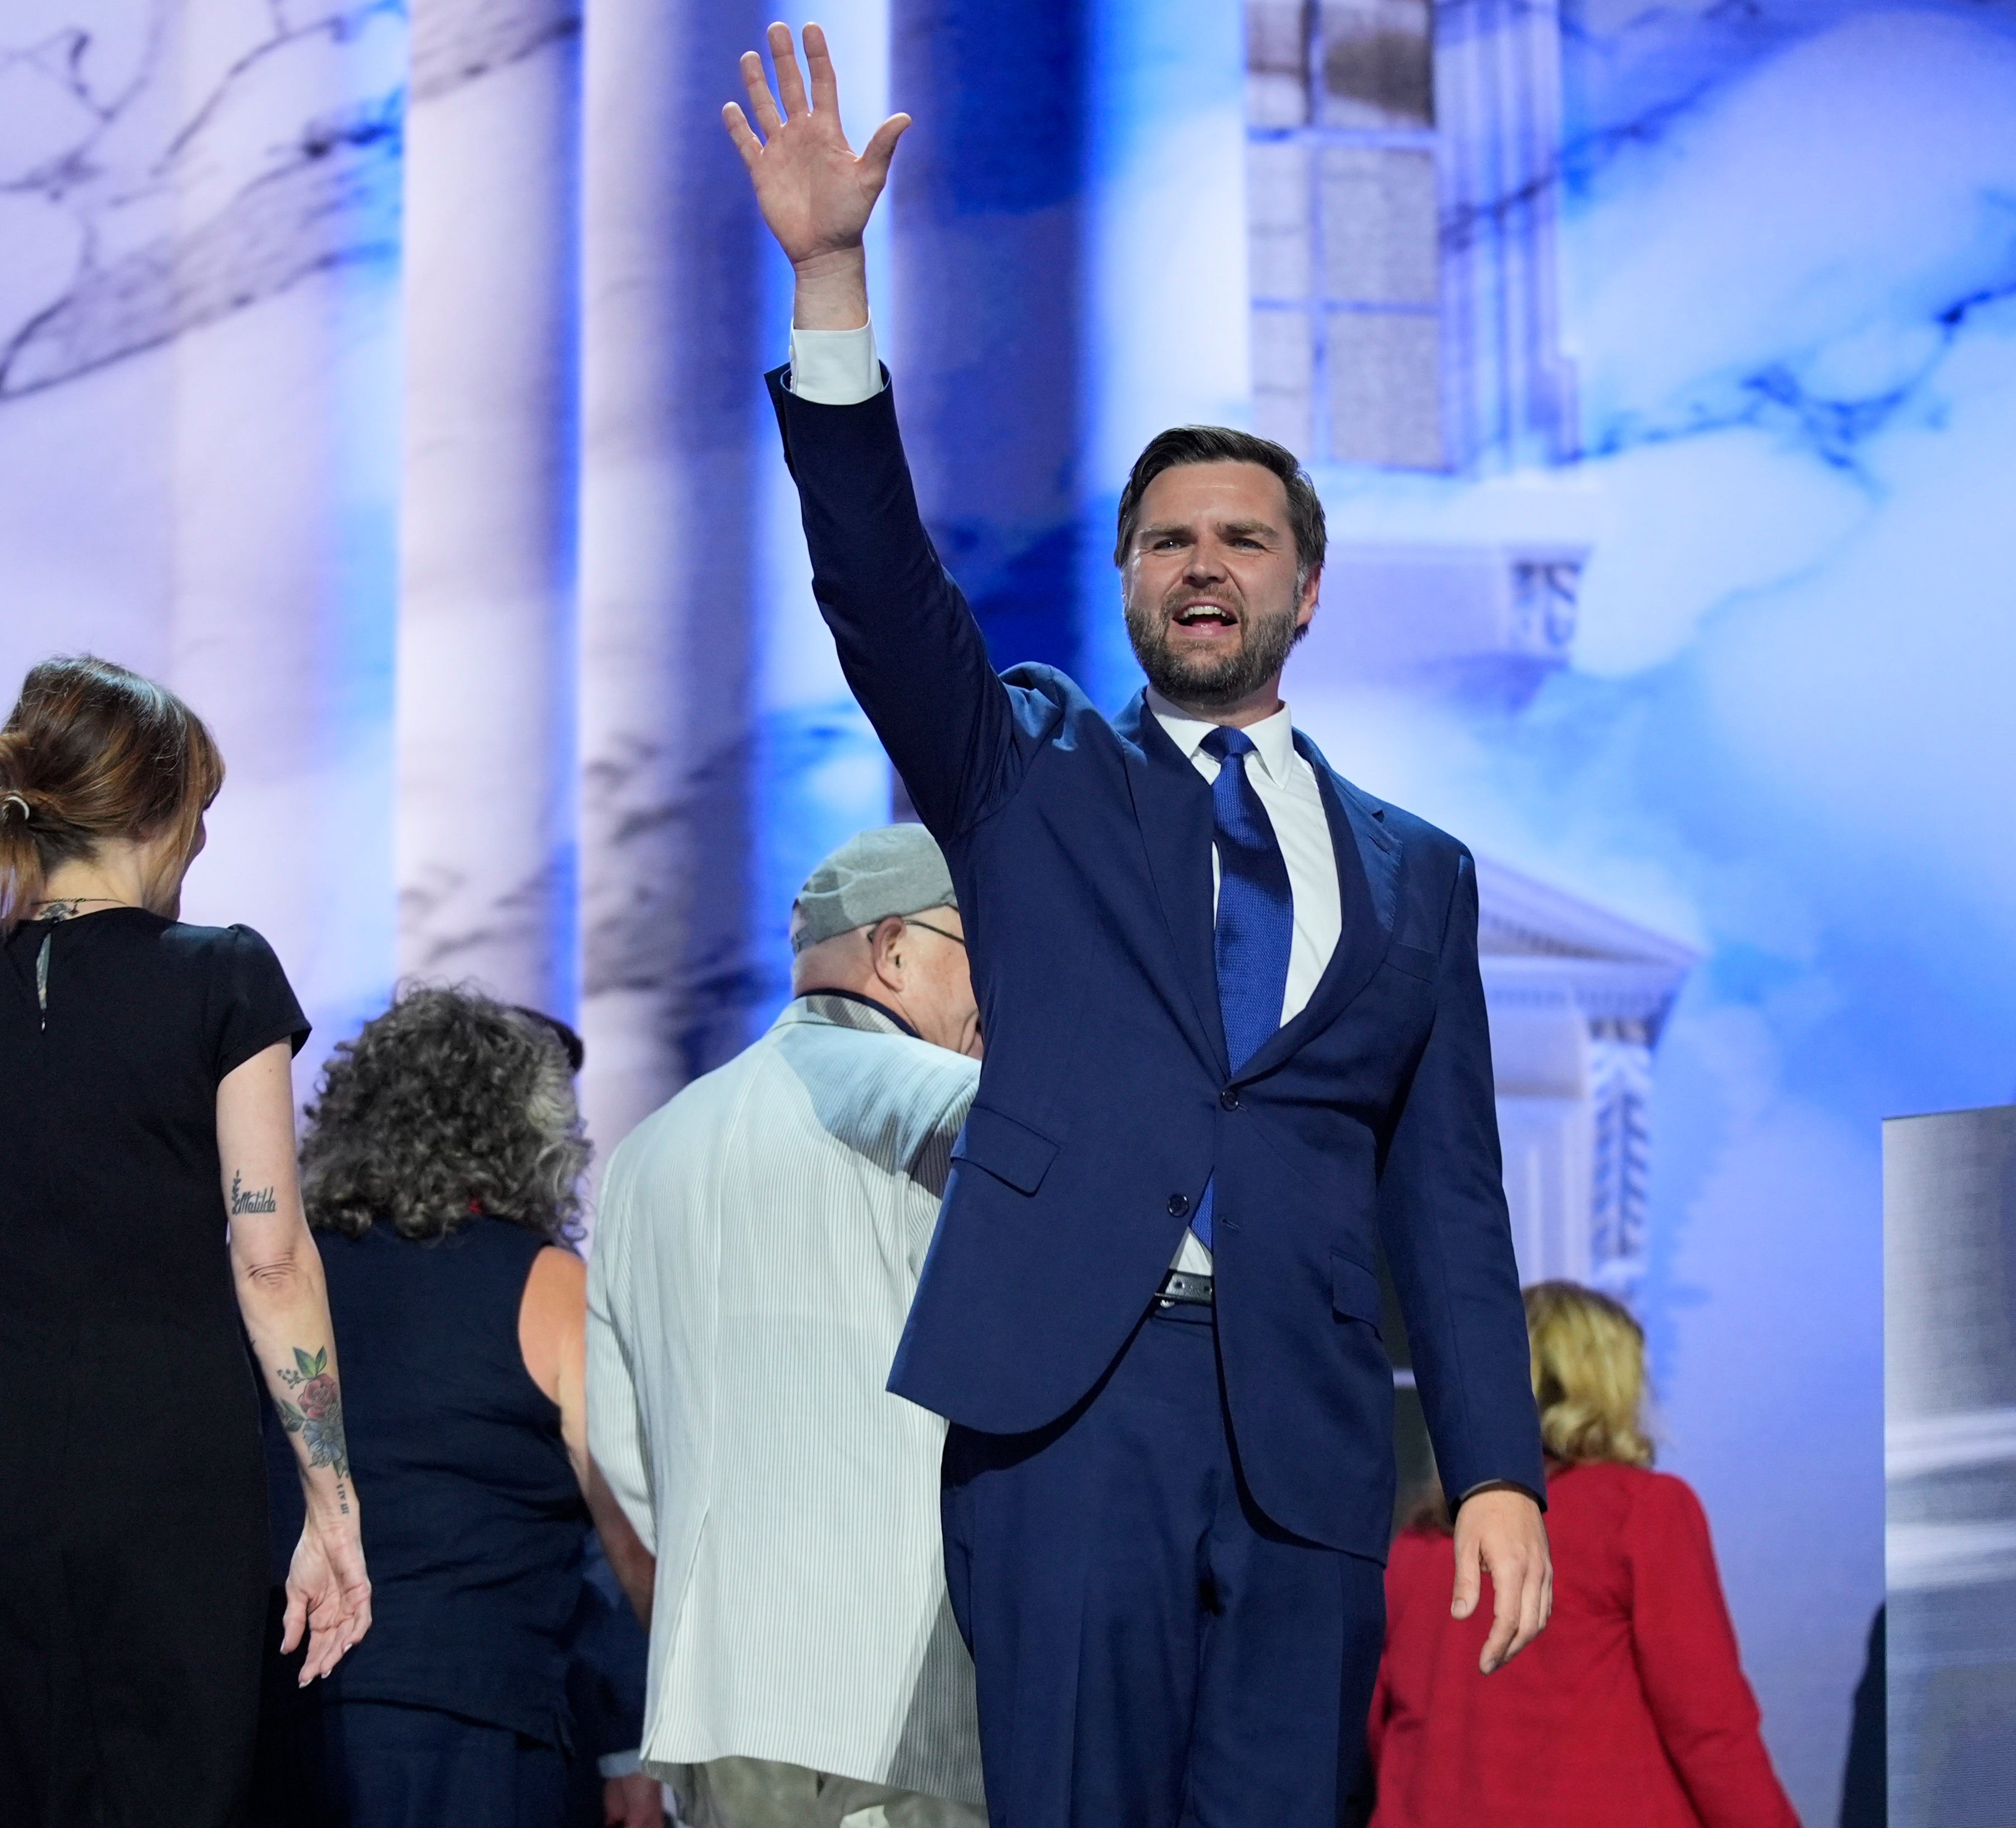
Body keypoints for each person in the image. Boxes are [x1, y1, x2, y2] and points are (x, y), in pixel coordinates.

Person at [719, 27, 1551, 1827]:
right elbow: (876, 587)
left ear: (1305, 585)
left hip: (1310, 1430)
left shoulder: (1420, 872)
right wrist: (831, 279)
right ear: (1124, 578)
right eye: (1168, 536)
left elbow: (1452, 1198)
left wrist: (1499, 1468)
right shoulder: (1034, 772)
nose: (1204, 563)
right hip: (1072, 1396)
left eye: (1243, 537)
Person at [0, 654, 373, 1827]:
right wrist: (332, 1503)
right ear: (153, 807)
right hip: (169, 1484)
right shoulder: (222, 976)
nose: (199, 838)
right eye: (198, 807)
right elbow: (272, 1255)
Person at [588, 824, 988, 1828]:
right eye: (984, 949)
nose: (1001, 993)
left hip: (717, 1690)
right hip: (902, 1695)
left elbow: (622, 1455)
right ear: (894, 950)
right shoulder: (949, 1104)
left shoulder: (644, 1152)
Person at [273, 987, 660, 1828]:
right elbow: (633, 1535)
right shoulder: (551, 1289)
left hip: (288, 1726)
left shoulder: (278, 1286)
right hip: (479, 1733)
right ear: (534, 1133)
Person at [1368, 1283, 1796, 1827]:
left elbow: (1379, 1729)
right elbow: (1709, 1728)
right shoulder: (1641, 1512)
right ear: (1609, 1382)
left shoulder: (1422, 1538)